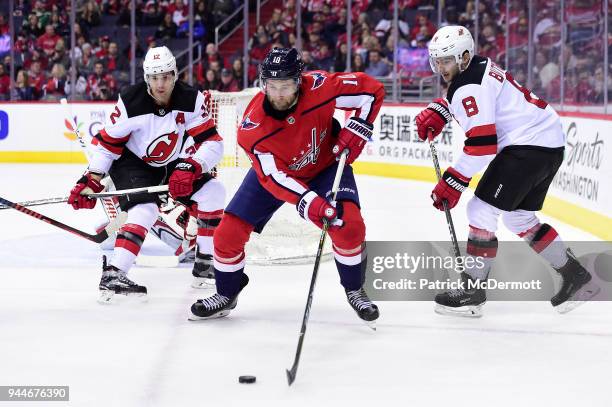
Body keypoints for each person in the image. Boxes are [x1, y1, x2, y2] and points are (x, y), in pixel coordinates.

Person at [189, 47, 385, 325]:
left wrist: (358, 127)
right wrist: (310, 203)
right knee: (226, 235)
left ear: (299, 81)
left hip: (326, 166)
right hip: (274, 174)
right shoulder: (252, 127)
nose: (279, 94)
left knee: (350, 226)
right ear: (263, 83)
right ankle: (226, 293)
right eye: (272, 86)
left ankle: (354, 288)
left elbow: (371, 90)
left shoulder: (322, 86)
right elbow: (275, 178)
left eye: (286, 86)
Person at [415, 26, 600, 317]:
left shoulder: (467, 85)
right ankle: (575, 275)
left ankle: (472, 291)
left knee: (480, 210)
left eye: (446, 60)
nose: (441, 67)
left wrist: (453, 181)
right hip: (548, 143)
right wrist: (443, 108)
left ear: (463, 57)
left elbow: (482, 144)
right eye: (437, 60)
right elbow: (483, 101)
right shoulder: (477, 65)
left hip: (528, 147)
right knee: (518, 217)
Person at [68, 46, 225, 301]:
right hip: (133, 163)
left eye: (165, 76)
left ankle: (205, 265)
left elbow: (213, 143)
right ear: (146, 78)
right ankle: (115, 274)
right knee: (145, 210)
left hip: (173, 162)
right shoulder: (130, 101)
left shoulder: (192, 99)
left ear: (175, 74)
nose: (160, 84)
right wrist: (92, 179)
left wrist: (192, 165)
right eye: (154, 77)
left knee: (214, 192)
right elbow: (108, 146)